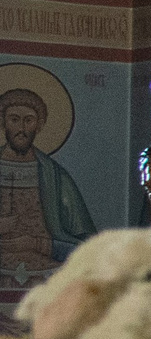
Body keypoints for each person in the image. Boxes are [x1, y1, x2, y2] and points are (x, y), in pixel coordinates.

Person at [0, 85, 94, 281]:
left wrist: (36, 244)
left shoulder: (55, 176)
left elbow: (88, 246)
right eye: (14, 119)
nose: (22, 129)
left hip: (47, 273)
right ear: (3, 123)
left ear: (39, 125)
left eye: (29, 120)